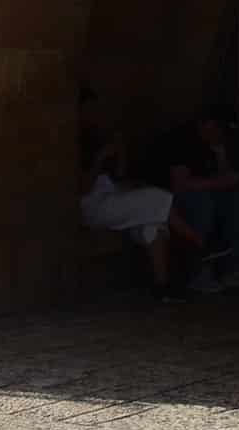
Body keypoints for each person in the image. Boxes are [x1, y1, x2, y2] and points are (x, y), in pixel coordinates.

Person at [78, 126, 201, 302]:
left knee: (152, 225)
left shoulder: (107, 162)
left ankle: (162, 287)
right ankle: (197, 241)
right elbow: (84, 189)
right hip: (92, 207)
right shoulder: (77, 153)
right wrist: (99, 157)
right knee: (156, 196)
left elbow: (119, 181)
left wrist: (121, 151)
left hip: (114, 203)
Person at [163, 113, 239, 294]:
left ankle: (235, 268)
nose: (215, 133)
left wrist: (220, 155)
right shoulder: (182, 142)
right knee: (202, 203)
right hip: (178, 199)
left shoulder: (224, 144)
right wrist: (218, 183)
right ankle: (198, 272)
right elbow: (180, 185)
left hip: (212, 195)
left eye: (219, 129)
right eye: (211, 127)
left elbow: (232, 178)